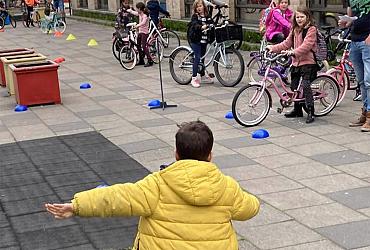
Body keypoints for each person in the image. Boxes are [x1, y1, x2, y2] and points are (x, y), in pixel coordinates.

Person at [45, 120, 260, 250]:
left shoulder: (156, 185)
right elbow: (250, 208)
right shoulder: (227, 188)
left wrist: (77, 205)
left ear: (176, 154)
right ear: (210, 156)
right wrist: (252, 201)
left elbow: (119, 197)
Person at [266, 6, 318, 124]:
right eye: (297, 17)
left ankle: (310, 111)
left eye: (302, 17)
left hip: (308, 62)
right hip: (296, 63)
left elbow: (306, 46)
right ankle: (297, 110)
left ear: (307, 17)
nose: (299, 19)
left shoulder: (311, 29)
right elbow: (286, 43)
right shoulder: (294, 29)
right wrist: (272, 48)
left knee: (305, 85)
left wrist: (293, 52)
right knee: (294, 87)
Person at [340, 0, 370, 132]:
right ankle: (365, 112)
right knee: (362, 81)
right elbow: (352, 14)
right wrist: (347, 23)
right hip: (355, 40)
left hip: (367, 40)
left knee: (369, 81)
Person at [188, 0, 214, 88]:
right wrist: (201, 27)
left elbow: (212, 23)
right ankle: (194, 78)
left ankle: (202, 75)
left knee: (202, 58)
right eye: (197, 6)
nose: (199, 8)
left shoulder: (207, 16)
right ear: (195, 8)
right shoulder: (195, 16)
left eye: (201, 6)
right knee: (198, 57)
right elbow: (194, 24)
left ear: (204, 7)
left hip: (204, 40)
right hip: (195, 39)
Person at [127, 2, 153, 67]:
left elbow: (143, 23)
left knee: (144, 46)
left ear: (139, 9)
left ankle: (150, 61)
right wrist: (129, 10)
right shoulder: (139, 13)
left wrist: (137, 25)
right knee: (138, 45)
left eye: (137, 8)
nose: (136, 10)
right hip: (140, 32)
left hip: (145, 33)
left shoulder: (145, 15)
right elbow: (134, 13)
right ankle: (141, 60)